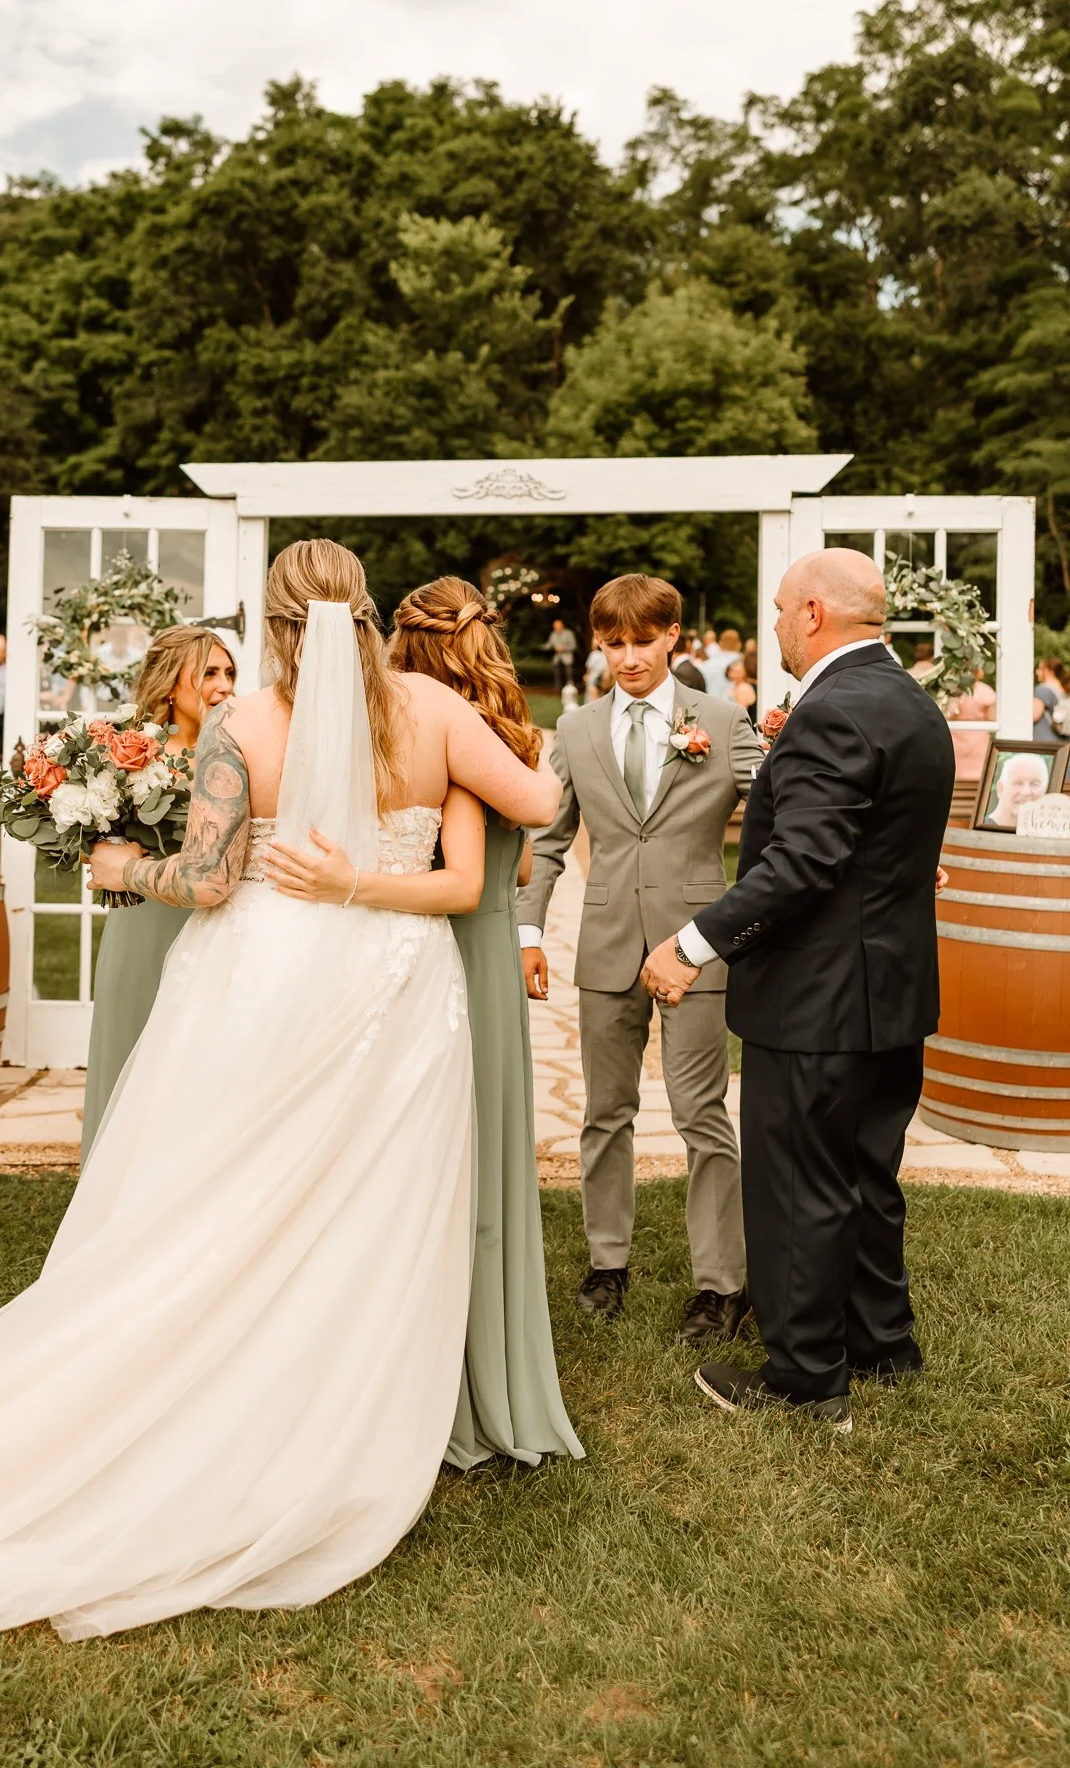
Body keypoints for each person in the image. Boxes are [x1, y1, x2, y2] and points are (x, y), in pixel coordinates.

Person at [0, 539, 561, 1673]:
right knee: (365, 1200)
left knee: (220, 1197)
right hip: (398, 983)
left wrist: (119, 869)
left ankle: (215, 1394)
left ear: (274, 625)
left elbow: (206, 880)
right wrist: (449, 783)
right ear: (363, 611)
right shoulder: (431, 708)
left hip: (265, 975)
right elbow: (542, 798)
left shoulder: (244, 725)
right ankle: (329, 1414)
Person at [642, 548, 955, 1432]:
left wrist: (692, 943)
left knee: (797, 1185)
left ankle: (806, 1378)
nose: (774, 622)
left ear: (813, 612)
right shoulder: (909, 703)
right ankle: (881, 1344)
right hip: (888, 992)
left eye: (780, 608)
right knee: (865, 1174)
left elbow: (801, 864)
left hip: (817, 1000)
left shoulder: (834, 712)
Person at [371, 575, 583, 1470]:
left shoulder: (390, 730)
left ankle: (428, 1376)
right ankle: (474, 1383)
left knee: (419, 1165)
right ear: (479, 641)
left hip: (407, 951)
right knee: (477, 1167)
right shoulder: (487, 735)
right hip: (473, 952)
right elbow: (532, 830)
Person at [517, 575, 762, 1346]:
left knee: (700, 1115)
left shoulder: (722, 722)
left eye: (641, 641)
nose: (627, 657)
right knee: (603, 1113)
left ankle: (720, 1285)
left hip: (696, 950)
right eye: (612, 643)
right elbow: (549, 842)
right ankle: (605, 1261)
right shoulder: (577, 728)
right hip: (604, 947)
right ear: (597, 644)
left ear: (672, 640)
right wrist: (528, 932)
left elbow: (788, 813)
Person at [80, 627, 237, 1160]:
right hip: (142, 926)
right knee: (132, 1049)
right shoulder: (131, 755)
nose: (223, 686)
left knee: (200, 1065)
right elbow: (92, 837)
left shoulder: (238, 754)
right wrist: (97, 850)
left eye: (229, 673)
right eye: (209, 673)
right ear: (173, 685)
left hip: (215, 924)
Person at [946, 667, 997, 781]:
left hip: (957, 740)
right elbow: (992, 718)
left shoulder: (954, 691)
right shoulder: (985, 691)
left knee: (956, 781)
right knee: (978, 780)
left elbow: (949, 713)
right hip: (979, 741)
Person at [983, 752, 1050, 829]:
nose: (1026, 792)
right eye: (1018, 783)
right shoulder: (980, 832)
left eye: (1035, 784)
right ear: (1000, 789)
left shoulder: (1049, 835)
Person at [699, 626, 738, 697]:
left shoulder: (707, 664)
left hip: (710, 702)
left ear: (720, 643)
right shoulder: (742, 664)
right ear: (739, 644)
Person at [545, 617, 578, 695]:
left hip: (567, 658)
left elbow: (574, 646)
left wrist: (563, 648)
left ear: (562, 626)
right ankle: (557, 691)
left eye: (558, 627)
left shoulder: (569, 633)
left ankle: (570, 692)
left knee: (569, 676)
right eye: (555, 627)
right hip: (557, 658)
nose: (556, 628)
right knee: (557, 676)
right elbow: (549, 644)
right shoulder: (553, 634)